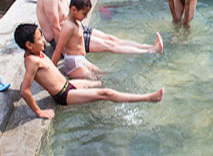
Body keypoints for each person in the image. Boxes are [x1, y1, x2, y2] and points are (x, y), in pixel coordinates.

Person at [13, 23, 164, 119]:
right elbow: (24, 91)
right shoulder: (31, 62)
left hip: (69, 85)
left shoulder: (36, 53)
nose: (43, 41)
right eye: (39, 39)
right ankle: (148, 98)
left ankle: (121, 99)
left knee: (101, 82)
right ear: (29, 44)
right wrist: (39, 112)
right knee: (106, 93)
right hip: (64, 95)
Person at [36, 0, 161, 65]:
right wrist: (64, 52)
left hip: (76, 28)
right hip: (68, 37)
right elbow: (55, 27)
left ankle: (147, 47)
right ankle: (150, 52)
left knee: (111, 39)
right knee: (109, 45)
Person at [57, 0, 107, 79]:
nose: (86, 16)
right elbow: (58, 49)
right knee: (96, 80)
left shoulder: (76, 22)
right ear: (74, 10)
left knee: (102, 74)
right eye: (84, 14)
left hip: (80, 59)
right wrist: (53, 71)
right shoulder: (68, 26)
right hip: (73, 63)